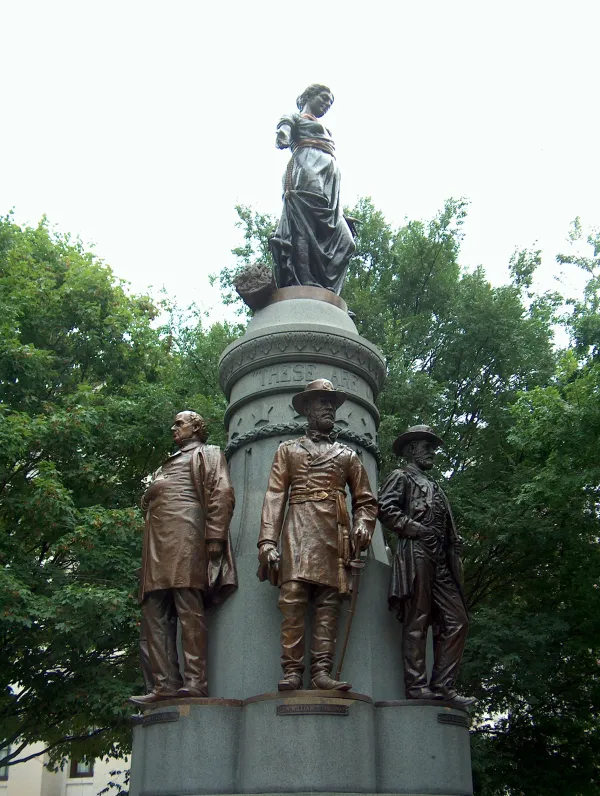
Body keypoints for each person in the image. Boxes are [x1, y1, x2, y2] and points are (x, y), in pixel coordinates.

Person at [258, 379, 377, 691]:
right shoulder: (287, 451)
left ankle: (322, 672)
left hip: (333, 533)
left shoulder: (347, 455)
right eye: (322, 402)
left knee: (328, 603)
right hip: (297, 530)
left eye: (331, 404)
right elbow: (274, 496)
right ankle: (292, 671)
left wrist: (363, 525)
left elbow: (365, 501)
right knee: (292, 598)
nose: (328, 408)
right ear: (307, 409)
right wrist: (267, 541)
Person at [130, 411, 237, 705]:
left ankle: (195, 681)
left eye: (180, 423)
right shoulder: (167, 463)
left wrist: (215, 536)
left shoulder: (208, 453)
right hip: (157, 547)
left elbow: (222, 492)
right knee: (153, 610)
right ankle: (164, 683)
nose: (173, 427)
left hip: (187, 538)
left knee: (188, 608)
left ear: (197, 427)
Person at [378, 425, 475, 707]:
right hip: (417, 552)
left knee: (457, 621)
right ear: (411, 450)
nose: (432, 452)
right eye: (426, 447)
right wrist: (416, 528)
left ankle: (443, 685)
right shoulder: (401, 476)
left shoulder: (436, 486)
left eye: (433, 447)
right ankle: (417, 686)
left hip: (441, 559)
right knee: (417, 620)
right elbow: (384, 508)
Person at [269, 84, 355, 295]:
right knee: (303, 225)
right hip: (307, 169)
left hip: (330, 182)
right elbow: (285, 129)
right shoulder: (295, 117)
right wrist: (283, 136)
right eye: (324, 98)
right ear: (308, 96)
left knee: (347, 242)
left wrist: (339, 212)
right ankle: (304, 280)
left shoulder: (326, 130)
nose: (327, 104)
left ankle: (328, 293)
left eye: (330, 102)